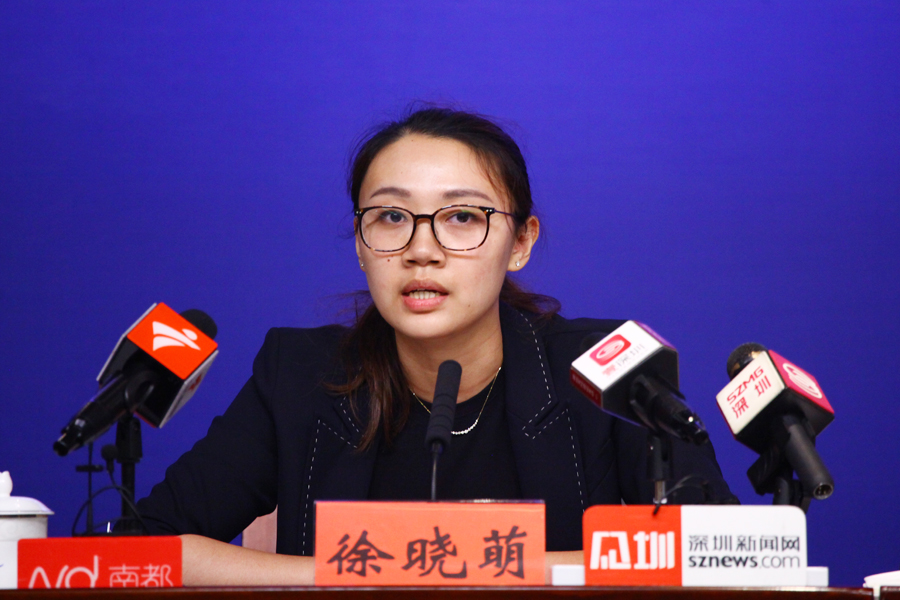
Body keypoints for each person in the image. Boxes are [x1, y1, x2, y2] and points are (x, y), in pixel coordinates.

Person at [136, 107, 737, 585]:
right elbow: (147, 546)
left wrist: (470, 572)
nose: (422, 250)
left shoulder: (607, 368)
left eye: (462, 217)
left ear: (521, 242)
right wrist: (340, 578)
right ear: (360, 244)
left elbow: (716, 549)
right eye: (392, 217)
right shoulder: (300, 375)